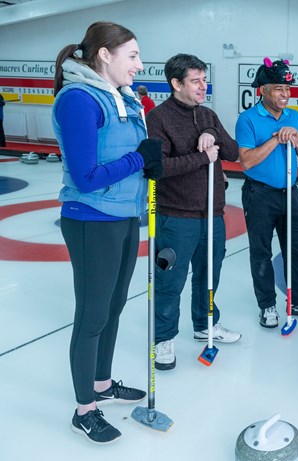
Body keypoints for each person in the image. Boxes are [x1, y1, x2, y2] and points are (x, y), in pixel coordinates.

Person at [52, 21, 162, 444]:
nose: (138, 64)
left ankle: (101, 384)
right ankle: (85, 410)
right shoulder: (79, 99)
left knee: (114, 308)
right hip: (90, 218)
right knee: (93, 315)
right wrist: (138, 160)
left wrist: (149, 162)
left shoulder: (121, 97)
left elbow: (131, 154)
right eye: (132, 55)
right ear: (104, 55)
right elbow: (85, 176)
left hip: (122, 216)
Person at [147, 54, 241, 371]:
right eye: (195, 81)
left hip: (212, 215)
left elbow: (232, 151)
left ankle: (204, 325)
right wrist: (202, 157)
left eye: (204, 79)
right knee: (170, 281)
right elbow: (158, 168)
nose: (203, 86)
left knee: (208, 275)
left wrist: (212, 134)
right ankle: (163, 339)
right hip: (176, 218)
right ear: (176, 84)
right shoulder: (159, 118)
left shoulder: (208, 114)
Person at [235, 58, 298, 328]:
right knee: (261, 251)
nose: (285, 95)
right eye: (278, 89)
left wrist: (296, 137)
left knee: (296, 249)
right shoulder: (248, 119)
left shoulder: (294, 117)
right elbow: (247, 161)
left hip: (290, 192)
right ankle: (267, 306)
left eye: (287, 89)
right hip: (259, 194)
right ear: (262, 90)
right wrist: (276, 138)